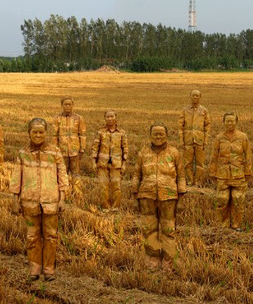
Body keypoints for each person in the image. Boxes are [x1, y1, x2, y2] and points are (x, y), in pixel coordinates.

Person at [10, 118, 69, 282]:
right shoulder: (23, 153)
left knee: (51, 235)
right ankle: (35, 268)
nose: (38, 135)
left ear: (46, 133)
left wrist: (62, 198)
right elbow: (16, 177)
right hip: (29, 202)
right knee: (32, 235)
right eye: (34, 132)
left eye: (41, 132)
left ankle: (49, 269)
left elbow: (62, 175)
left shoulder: (55, 152)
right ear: (29, 133)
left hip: (51, 201)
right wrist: (15, 199)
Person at [132, 122, 186, 271]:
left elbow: (181, 176)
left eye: (161, 134)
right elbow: (136, 175)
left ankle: (168, 264)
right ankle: (153, 262)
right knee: (149, 229)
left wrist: (181, 198)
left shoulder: (174, 153)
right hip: (146, 196)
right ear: (150, 135)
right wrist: (135, 195)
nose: (158, 136)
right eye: (155, 134)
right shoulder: (143, 153)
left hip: (168, 197)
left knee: (168, 230)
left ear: (167, 136)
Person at [208, 112, 252, 231]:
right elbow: (214, 156)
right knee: (222, 200)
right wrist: (212, 172)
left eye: (232, 121)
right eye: (227, 121)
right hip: (222, 174)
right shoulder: (219, 138)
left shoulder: (243, 137)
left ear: (236, 122)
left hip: (238, 174)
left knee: (238, 200)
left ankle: (236, 225)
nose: (230, 123)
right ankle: (223, 226)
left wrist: (248, 171)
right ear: (224, 122)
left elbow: (248, 155)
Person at [90, 110, 129, 212]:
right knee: (103, 186)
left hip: (117, 164)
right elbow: (95, 148)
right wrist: (94, 162)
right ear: (105, 118)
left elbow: (125, 148)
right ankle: (105, 207)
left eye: (112, 116)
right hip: (102, 163)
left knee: (116, 186)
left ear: (116, 118)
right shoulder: (100, 132)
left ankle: (115, 207)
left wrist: (124, 164)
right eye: (107, 117)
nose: (110, 118)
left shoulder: (122, 133)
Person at [53, 96, 86, 201]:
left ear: (73, 105)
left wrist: (82, 149)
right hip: (61, 152)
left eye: (70, 104)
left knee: (76, 174)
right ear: (62, 105)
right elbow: (54, 135)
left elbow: (82, 135)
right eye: (65, 104)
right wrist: (55, 150)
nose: (68, 106)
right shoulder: (57, 118)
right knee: (62, 174)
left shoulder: (79, 118)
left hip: (75, 152)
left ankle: (77, 196)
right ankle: (63, 196)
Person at [179, 90, 210, 186]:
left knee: (200, 163)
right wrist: (181, 140)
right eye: (193, 95)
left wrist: (206, 140)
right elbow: (180, 126)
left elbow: (207, 126)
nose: (195, 97)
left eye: (197, 96)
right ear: (190, 96)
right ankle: (190, 180)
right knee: (188, 163)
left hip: (199, 140)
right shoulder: (185, 110)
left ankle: (197, 181)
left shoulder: (204, 111)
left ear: (200, 97)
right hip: (188, 140)